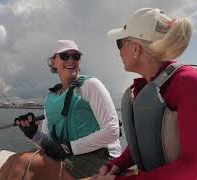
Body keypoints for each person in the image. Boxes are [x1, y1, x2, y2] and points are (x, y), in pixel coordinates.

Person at [91, 8, 197, 180]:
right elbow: (149, 140)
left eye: (120, 43)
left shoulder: (189, 82)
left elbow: (195, 167)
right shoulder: (144, 89)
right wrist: (116, 164)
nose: (119, 51)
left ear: (136, 47)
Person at [15, 39, 122, 179]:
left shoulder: (91, 85)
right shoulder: (50, 98)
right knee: (18, 160)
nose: (71, 60)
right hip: (71, 156)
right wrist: (33, 133)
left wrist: (68, 148)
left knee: (24, 164)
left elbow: (112, 131)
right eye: (65, 56)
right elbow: (51, 144)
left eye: (76, 57)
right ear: (53, 62)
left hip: (103, 158)